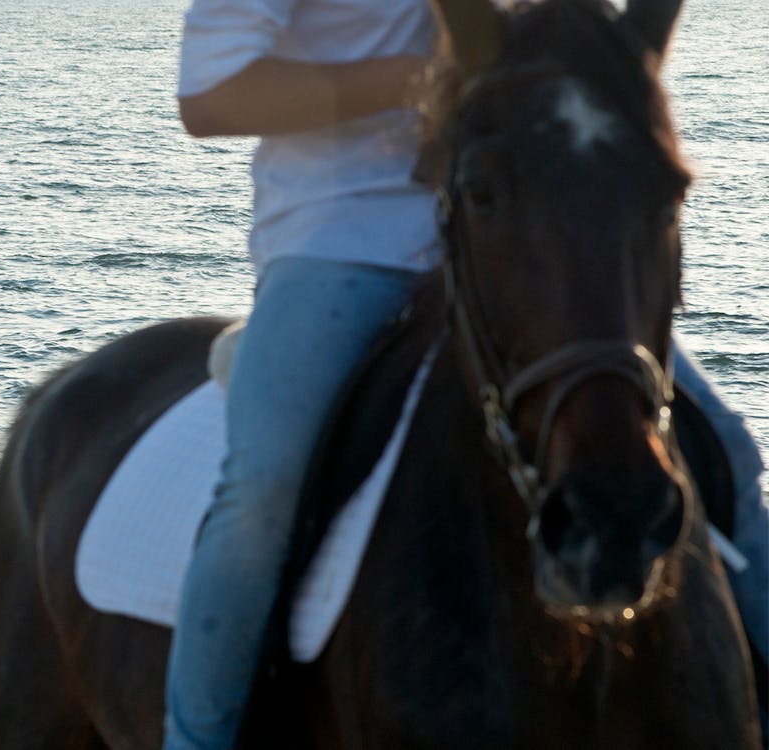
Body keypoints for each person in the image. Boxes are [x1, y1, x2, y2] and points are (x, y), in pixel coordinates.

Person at [162, 0, 769, 747]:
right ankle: (198, 738)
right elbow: (211, 94)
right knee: (262, 489)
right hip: (348, 239)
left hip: (526, 240)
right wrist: (425, 78)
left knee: (731, 459)